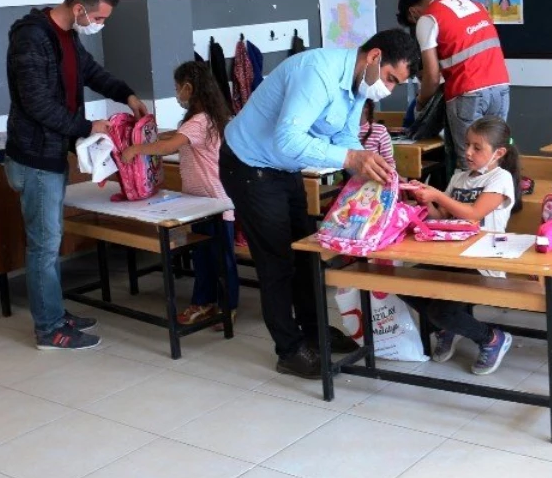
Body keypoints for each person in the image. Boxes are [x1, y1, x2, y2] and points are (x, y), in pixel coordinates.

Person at [219, 29, 419, 378]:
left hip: (283, 168)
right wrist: (349, 159)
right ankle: (290, 350)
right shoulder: (317, 72)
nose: (388, 89)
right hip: (251, 166)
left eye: (396, 84)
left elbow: (342, 135)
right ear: (373, 57)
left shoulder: (356, 83)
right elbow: (288, 140)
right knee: (277, 262)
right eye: (389, 78)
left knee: (307, 255)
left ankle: (313, 332)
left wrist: (365, 161)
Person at [5, 0, 148, 351]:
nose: (100, 24)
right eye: (99, 17)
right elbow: (36, 103)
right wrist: (88, 126)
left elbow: (92, 73)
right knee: (44, 245)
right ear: (80, 8)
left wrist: (127, 95)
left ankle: (54, 313)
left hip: (52, 153)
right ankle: (49, 329)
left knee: (48, 241)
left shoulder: (67, 36)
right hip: (34, 156)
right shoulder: (32, 38)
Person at [121, 62, 238, 328]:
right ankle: (206, 303)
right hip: (199, 203)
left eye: (177, 88)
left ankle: (226, 306)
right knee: (204, 256)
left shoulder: (200, 121)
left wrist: (138, 148)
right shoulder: (207, 116)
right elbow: (175, 135)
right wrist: (151, 134)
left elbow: (169, 147)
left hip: (214, 203)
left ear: (189, 87)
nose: (177, 93)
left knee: (220, 259)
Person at [402, 118, 519, 375]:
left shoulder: (501, 179)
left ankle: (491, 338)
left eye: (477, 148)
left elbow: (473, 215)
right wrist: (423, 196)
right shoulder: (459, 177)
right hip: (451, 257)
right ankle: (447, 328)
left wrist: (438, 195)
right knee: (399, 282)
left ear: (498, 153)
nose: (468, 152)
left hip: (482, 262)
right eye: (467, 145)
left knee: (440, 310)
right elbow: (440, 218)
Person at [397, 0, 511, 170]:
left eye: (412, 22)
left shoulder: (427, 18)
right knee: (495, 156)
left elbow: (432, 77)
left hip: (467, 91)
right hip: (501, 86)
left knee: (470, 161)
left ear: (413, 12)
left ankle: (470, 199)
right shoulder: (473, 4)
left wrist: (420, 104)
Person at [359, 99, 396, 171]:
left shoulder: (379, 130)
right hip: (348, 179)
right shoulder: (341, 132)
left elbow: (390, 163)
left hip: (374, 179)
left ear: (365, 108)